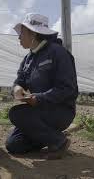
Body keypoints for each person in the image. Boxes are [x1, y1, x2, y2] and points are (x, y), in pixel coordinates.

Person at [5, 13, 78, 160]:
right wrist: (17, 89)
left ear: (33, 33)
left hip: (60, 111)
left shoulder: (58, 53)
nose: (19, 37)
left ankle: (59, 142)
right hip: (39, 110)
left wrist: (38, 99)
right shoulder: (28, 59)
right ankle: (51, 137)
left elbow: (68, 89)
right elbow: (19, 80)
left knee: (17, 113)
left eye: (22, 33)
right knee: (13, 145)